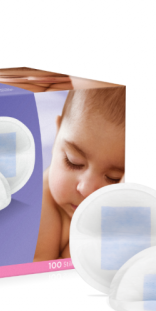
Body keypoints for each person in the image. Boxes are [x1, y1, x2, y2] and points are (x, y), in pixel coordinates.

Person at [34, 86, 126, 261]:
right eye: (73, 162)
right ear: (57, 135)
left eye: (114, 179)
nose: (86, 189)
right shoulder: (39, 211)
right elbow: (47, 275)